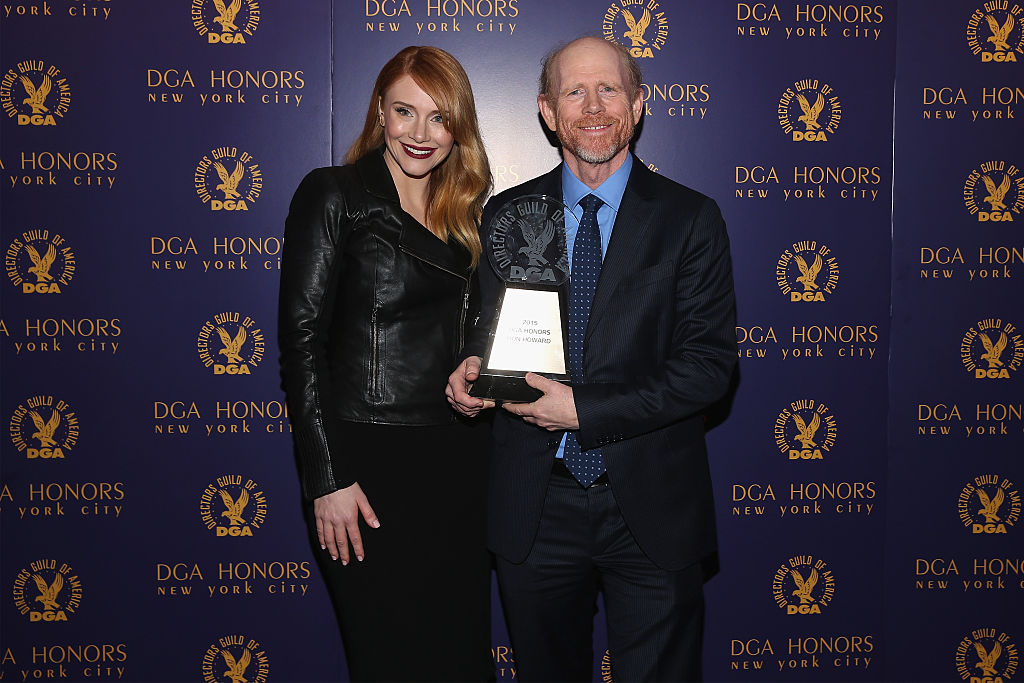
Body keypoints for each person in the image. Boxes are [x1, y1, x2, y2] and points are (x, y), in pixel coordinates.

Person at [447, 36, 737, 681]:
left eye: (609, 89)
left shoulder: (691, 220)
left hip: (653, 509)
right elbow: (491, 338)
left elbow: (709, 367)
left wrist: (583, 409)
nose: (593, 106)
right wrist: (472, 375)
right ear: (548, 112)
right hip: (535, 507)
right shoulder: (509, 213)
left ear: (637, 104)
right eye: (574, 91)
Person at [279, 45, 493, 682]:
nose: (421, 134)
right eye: (405, 111)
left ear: (458, 126)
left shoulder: (466, 218)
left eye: (438, 117)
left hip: (458, 463)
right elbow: (301, 342)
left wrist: (479, 369)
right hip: (367, 468)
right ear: (380, 111)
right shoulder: (334, 195)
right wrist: (326, 478)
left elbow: (472, 331)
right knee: (389, 658)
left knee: (459, 657)